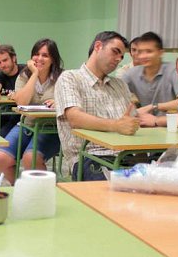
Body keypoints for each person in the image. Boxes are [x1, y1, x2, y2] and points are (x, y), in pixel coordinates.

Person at [54, 31, 139, 181]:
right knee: (114, 195)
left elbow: (130, 121)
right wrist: (116, 126)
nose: (118, 59)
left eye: (122, 57)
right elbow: (75, 118)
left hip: (125, 156)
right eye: (115, 52)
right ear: (98, 46)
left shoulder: (120, 85)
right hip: (90, 157)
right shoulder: (70, 78)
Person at [0, 39, 63, 185]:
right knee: (0, 158)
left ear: (53, 58)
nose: (39, 58)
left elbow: (71, 103)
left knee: (30, 158)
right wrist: (34, 74)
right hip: (26, 125)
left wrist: (59, 103)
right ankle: (19, 186)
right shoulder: (24, 76)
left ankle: (43, 192)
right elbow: (21, 102)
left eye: (45, 55)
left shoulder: (62, 77)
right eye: (36, 54)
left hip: (50, 129)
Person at [122, 32, 178, 115]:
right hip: (144, 123)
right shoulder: (131, 74)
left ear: (160, 52)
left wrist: (154, 106)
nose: (143, 56)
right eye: (140, 52)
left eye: (149, 51)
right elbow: (116, 94)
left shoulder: (173, 70)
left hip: (170, 122)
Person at [0, 44, 22, 137]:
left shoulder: (25, 71)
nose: (2, 65)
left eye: (5, 60)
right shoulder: (0, 75)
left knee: (2, 135)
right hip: (8, 113)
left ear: (13, 58)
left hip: (23, 115)